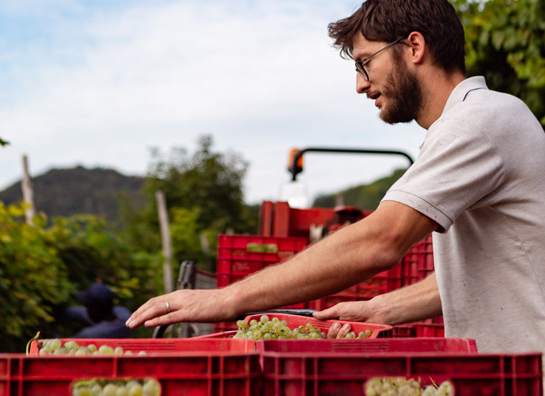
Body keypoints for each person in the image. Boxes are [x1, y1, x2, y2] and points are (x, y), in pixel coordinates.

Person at [126, 0, 545, 361]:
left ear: (414, 47)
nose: (361, 84)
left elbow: (382, 239)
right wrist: (386, 306)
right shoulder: (478, 121)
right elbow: (490, 268)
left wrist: (226, 299)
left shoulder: (477, 121)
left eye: (365, 62)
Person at [66, 283, 133, 338]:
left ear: (94, 311)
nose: (85, 310)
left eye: (88, 308)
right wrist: (66, 311)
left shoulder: (91, 335)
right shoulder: (124, 314)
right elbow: (82, 313)